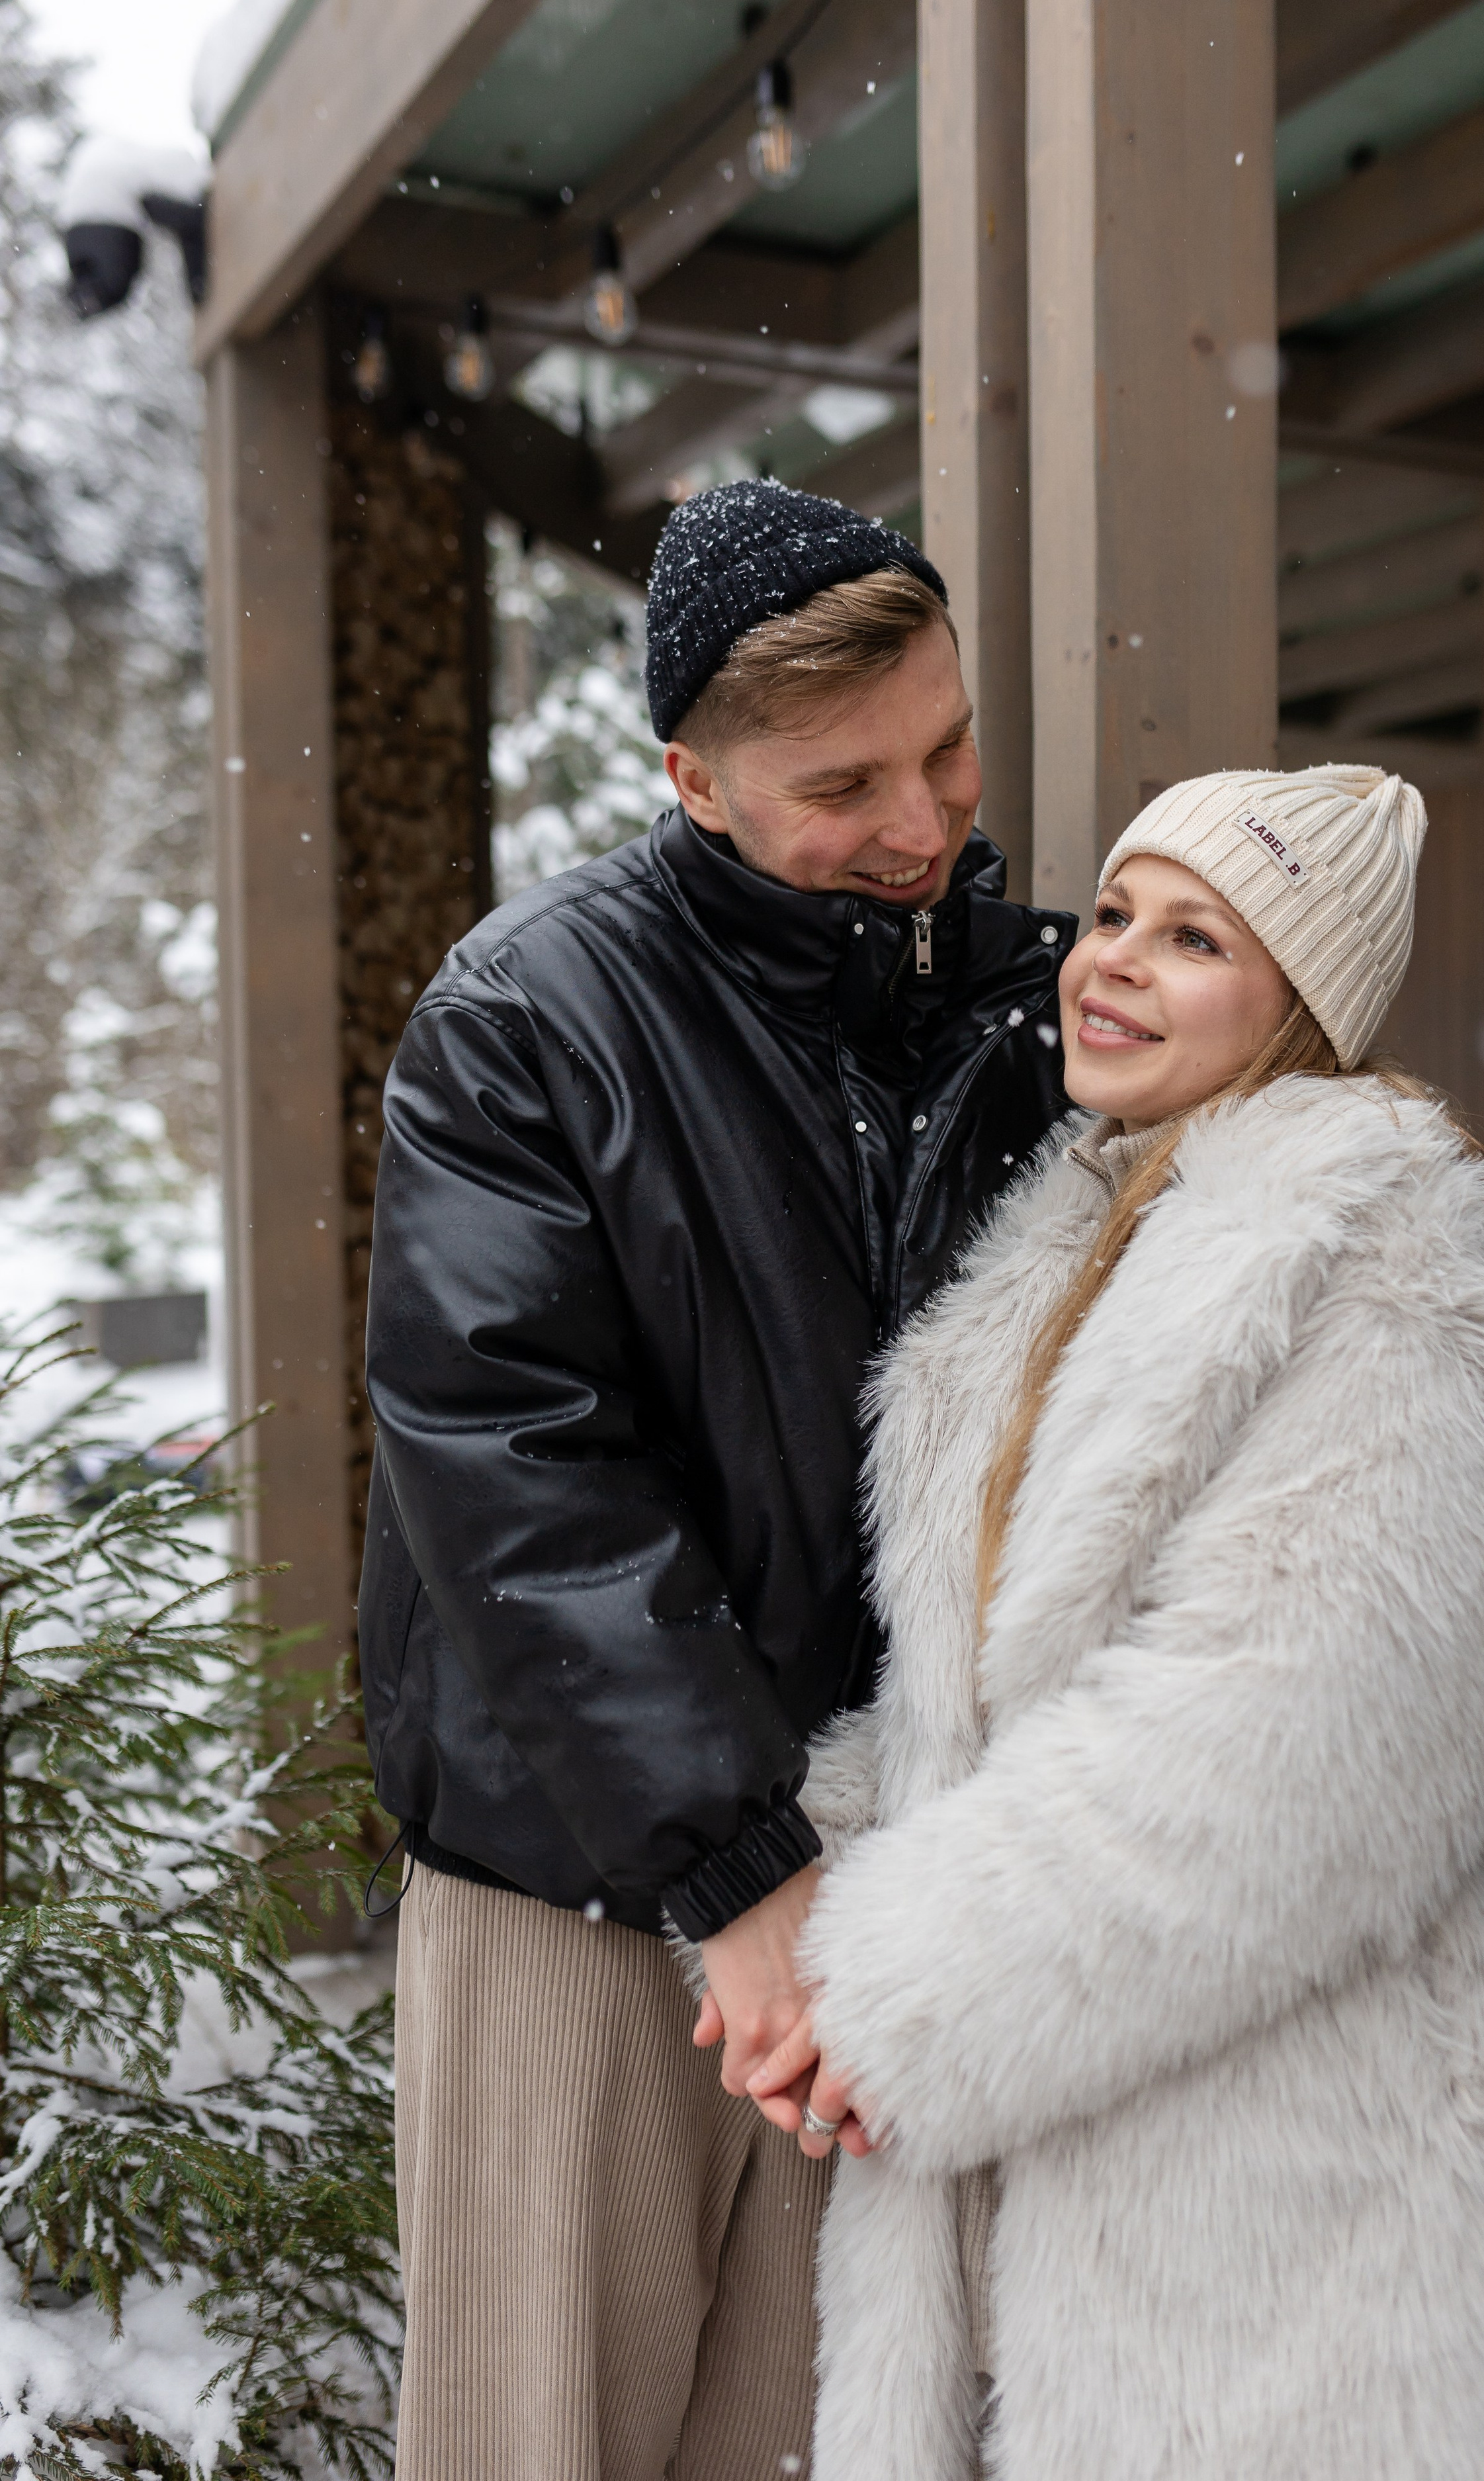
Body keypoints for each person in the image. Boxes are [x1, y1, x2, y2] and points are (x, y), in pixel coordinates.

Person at [748, 764, 1484, 2481]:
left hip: (1296, 2209)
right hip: (1053, 2164)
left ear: (1302, 1007)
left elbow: (1292, 1757)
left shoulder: (1402, 1283)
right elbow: (983, 1706)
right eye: (1122, 912)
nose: (1115, 959)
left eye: (1197, 935)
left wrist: (886, 1993)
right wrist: (786, 1879)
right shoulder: (1088, 1238)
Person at [357, 478, 1074, 2481]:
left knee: (815, 2447)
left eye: (945, 746)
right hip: (583, 1891)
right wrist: (736, 1864)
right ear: (692, 777)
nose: (924, 826)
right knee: (545, 2446)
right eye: (844, 784)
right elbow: (509, 1456)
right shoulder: (528, 1021)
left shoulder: (1031, 1010)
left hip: (892, 1880)